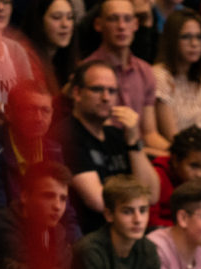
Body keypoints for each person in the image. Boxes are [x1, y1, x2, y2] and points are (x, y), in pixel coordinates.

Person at [63, 59, 159, 234]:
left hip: (126, 231)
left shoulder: (117, 135)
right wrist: (136, 205)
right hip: (90, 234)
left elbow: (152, 194)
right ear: (77, 93)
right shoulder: (67, 134)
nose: (106, 98)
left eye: (112, 91)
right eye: (97, 89)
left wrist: (133, 142)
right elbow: (98, 201)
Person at [84, 0, 168, 155]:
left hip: (139, 152)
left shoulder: (145, 71)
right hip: (106, 155)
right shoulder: (88, 72)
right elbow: (95, 137)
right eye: (113, 19)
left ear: (136, 24)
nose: (121, 26)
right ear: (98, 24)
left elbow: (150, 134)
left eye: (127, 19)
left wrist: (178, 154)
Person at [0, 81, 71, 218]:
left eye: (45, 111)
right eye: (30, 109)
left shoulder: (53, 150)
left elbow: (66, 210)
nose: (38, 118)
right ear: (8, 112)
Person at [153, 8, 201, 144]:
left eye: (199, 37)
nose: (194, 44)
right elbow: (172, 137)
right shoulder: (160, 76)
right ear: (172, 40)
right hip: (174, 151)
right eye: (186, 37)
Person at [149, 125, 201, 228]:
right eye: (194, 166)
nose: (200, 174)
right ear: (175, 160)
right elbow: (152, 222)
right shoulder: (157, 177)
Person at [25, 0, 79, 91]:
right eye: (56, 17)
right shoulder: (24, 59)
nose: (65, 24)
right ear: (39, 22)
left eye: (70, 17)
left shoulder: (71, 61)